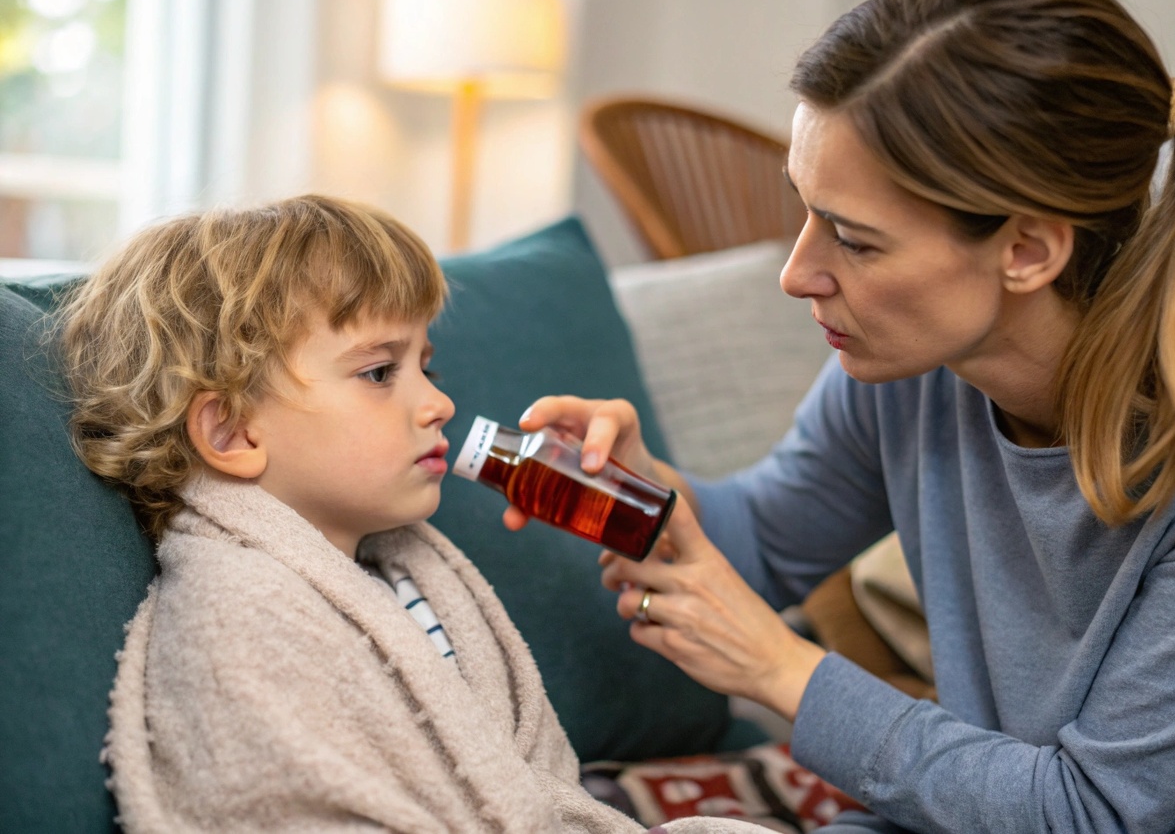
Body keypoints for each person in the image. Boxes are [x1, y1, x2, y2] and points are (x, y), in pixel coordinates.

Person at [513, 0, 1175, 834]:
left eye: (854, 240)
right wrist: (645, 490)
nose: (797, 274)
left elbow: (1088, 811)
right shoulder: (910, 376)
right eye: (805, 210)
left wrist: (781, 670)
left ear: (1028, 249)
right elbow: (763, 539)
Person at [55, 194, 766, 833]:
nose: (438, 403)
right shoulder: (237, 617)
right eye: (380, 372)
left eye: (429, 366)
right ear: (234, 432)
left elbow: (532, 789)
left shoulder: (406, 573)